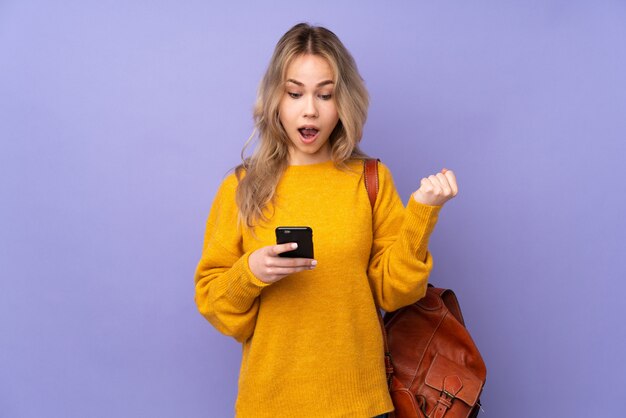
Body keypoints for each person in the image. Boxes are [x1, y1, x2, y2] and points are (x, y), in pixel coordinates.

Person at [194, 22, 459, 418]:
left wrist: (422, 212)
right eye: (295, 93)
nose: (310, 110)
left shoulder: (370, 180)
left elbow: (395, 293)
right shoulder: (242, 187)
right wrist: (250, 271)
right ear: (275, 99)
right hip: (270, 404)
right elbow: (215, 305)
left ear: (343, 102)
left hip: (361, 405)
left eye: (326, 94)